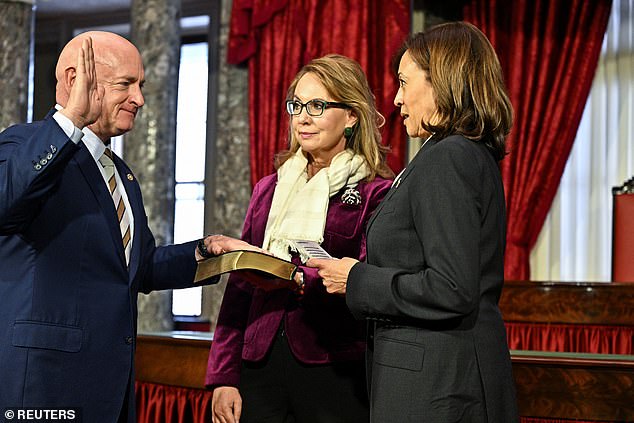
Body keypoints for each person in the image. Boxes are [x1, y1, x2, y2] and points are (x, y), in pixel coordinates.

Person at [0, 31, 251, 422]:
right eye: (125, 84)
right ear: (74, 80)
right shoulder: (24, 143)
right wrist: (70, 121)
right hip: (42, 386)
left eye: (142, 85)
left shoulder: (121, 175)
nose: (140, 98)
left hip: (110, 389)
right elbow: (7, 198)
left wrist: (206, 252)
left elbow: (138, 267)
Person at [307, 22, 520, 422]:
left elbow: (452, 288)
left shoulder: (448, 158)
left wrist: (355, 279)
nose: (396, 98)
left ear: (442, 81)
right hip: (443, 379)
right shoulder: (458, 153)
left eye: (405, 82)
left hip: (438, 389)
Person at [205, 54, 394, 423]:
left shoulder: (376, 193)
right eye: (296, 105)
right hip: (258, 364)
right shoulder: (268, 188)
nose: (302, 117)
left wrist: (290, 276)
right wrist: (223, 377)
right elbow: (239, 292)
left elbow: (364, 281)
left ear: (351, 115)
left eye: (318, 106)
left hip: (333, 367)